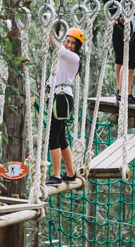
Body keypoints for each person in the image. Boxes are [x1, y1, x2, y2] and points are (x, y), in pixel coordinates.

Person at [45, 27, 84, 186]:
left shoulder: (73, 57)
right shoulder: (66, 55)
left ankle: (56, 175)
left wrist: (48, 26)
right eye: (67, 41)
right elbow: (57, 39)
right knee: (60, 137)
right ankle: (70, 173)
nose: (68, 45)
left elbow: (54, 42)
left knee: (52, 136)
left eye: (72, 43)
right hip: (58, 96)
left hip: (61, 97)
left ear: (77, 47)